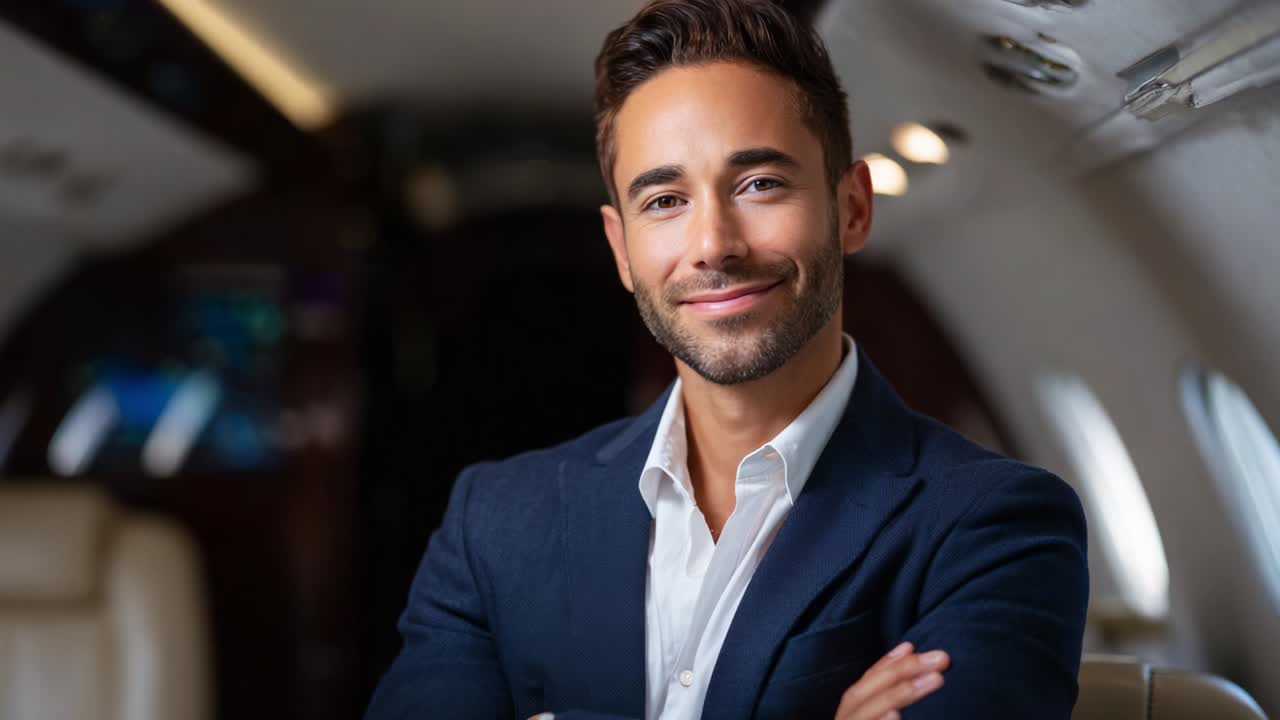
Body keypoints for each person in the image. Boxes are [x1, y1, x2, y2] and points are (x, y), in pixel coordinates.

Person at [365, 0, 1089, 718]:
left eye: (759, 184)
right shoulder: (494, 526)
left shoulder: (994, 527)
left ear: (853, 208)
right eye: (665, 200)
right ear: (621, 250)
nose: (713, 243)